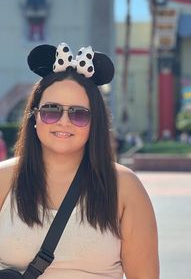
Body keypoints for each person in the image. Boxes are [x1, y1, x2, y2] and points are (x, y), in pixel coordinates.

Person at [0, 42, 159, 278]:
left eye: (78, 114)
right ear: (34, 117)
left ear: (95, 123)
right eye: (51, 111)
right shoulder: (4, 178)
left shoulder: (125, 187)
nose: (64, 121)